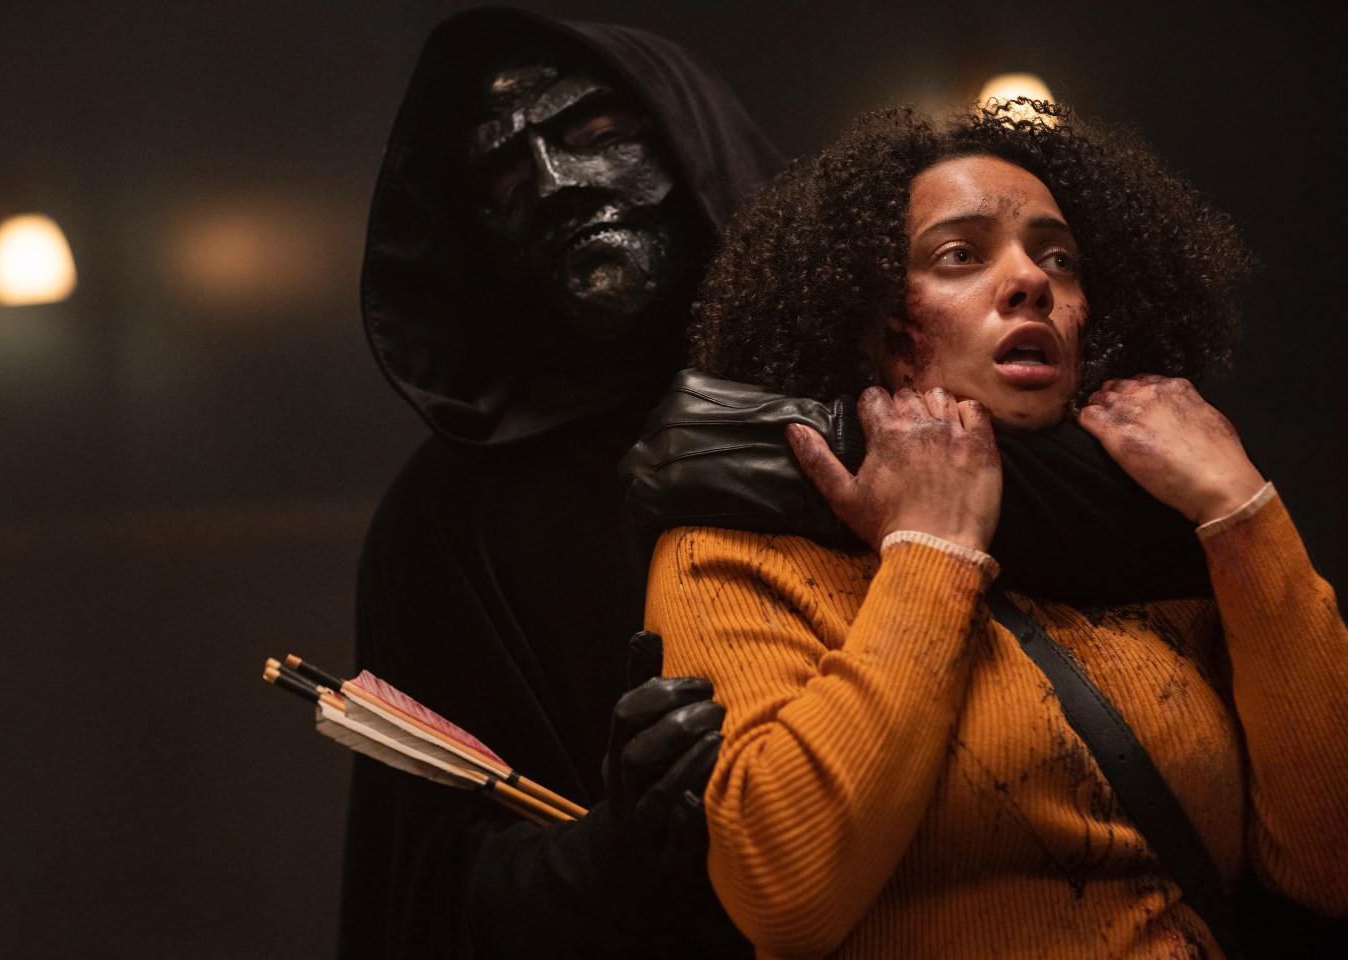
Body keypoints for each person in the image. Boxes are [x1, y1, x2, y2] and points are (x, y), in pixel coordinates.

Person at [631, 101, 1348, 958]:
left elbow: (1331, 867)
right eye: (960, 256)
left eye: (1059, 260)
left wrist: (1242, 508)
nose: (1032, 280)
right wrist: (931, 550)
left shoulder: (1158, 536)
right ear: (882, 329)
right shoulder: (735, 547)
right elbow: (785, 895)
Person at [339, 7, 782, 959]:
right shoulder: (443, 524)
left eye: (598, 134)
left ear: (691, 144)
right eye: (504, 175)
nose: (551, 185)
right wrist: (617, 848)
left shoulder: (892, 393)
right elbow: (426, 897)